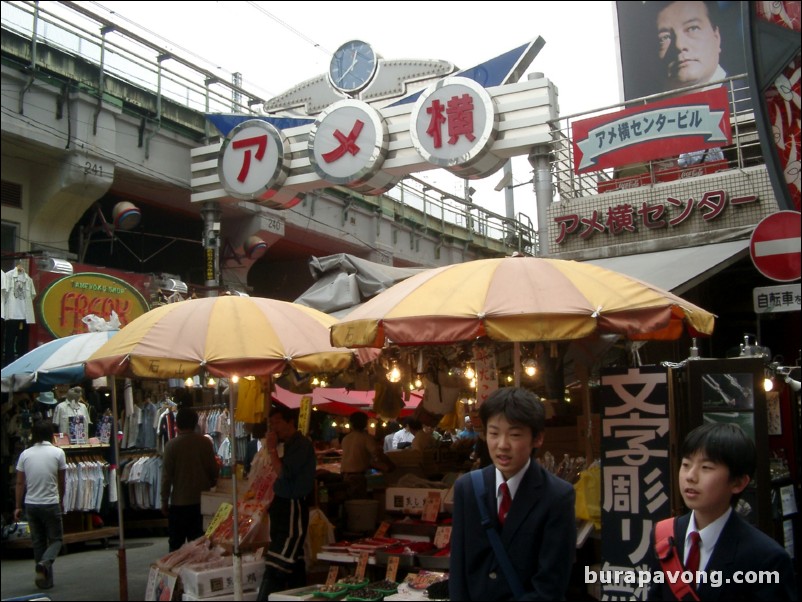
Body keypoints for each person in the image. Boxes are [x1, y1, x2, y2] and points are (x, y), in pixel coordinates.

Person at [645, 422, 798, 600]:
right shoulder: (664, 536)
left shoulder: (766, 558)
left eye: (706, 468)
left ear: (738, 482)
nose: (690, 476)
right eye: (686, 464)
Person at [449, 387, 576, 601]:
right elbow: (459, 571)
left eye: (515, 434)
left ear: (537, 439)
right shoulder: (467, 488)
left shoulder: (557, 496)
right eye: (494, 433)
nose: (502, 445)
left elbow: (550, 587)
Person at [257, 406, 316, 600]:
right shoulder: (286, 444)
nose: (274, 428)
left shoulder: (301, 444)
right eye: (271, 423)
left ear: (290, 422)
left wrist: (272, 448)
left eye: (277, 422)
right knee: (294, 559)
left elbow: (283, 473)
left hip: (293, 504)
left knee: (279, 558)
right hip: (280, 504)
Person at [14, 420, 66, 590]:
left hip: (31, 504)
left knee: (38, 542)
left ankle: (44, 580)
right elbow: (61, 480)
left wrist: (18, 506)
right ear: (51, 434)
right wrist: (62, 499)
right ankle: (45, 563)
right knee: (56, 539)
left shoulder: (25, 454)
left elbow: (20, 483)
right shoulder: (58, 453)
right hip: (51, 502)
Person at [160, 407, 218, 552]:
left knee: (176, 547)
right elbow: (213, 471)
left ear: (177, 425)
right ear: (195, 423)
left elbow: (166, 477)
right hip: (201, 502)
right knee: (200, 546)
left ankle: (177, 574)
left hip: (179, 503)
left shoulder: (171, 446)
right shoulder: (205, 443)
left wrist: (163, 500)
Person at [340, 411, 394, 499]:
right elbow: (378, 454)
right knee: (358, 504)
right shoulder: (365, 438)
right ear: (365, 423)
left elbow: (356, 457)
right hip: (357, 478)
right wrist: (390, 464)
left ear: (351, 424)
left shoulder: (346, 438)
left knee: (350, 504)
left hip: (344, 476)